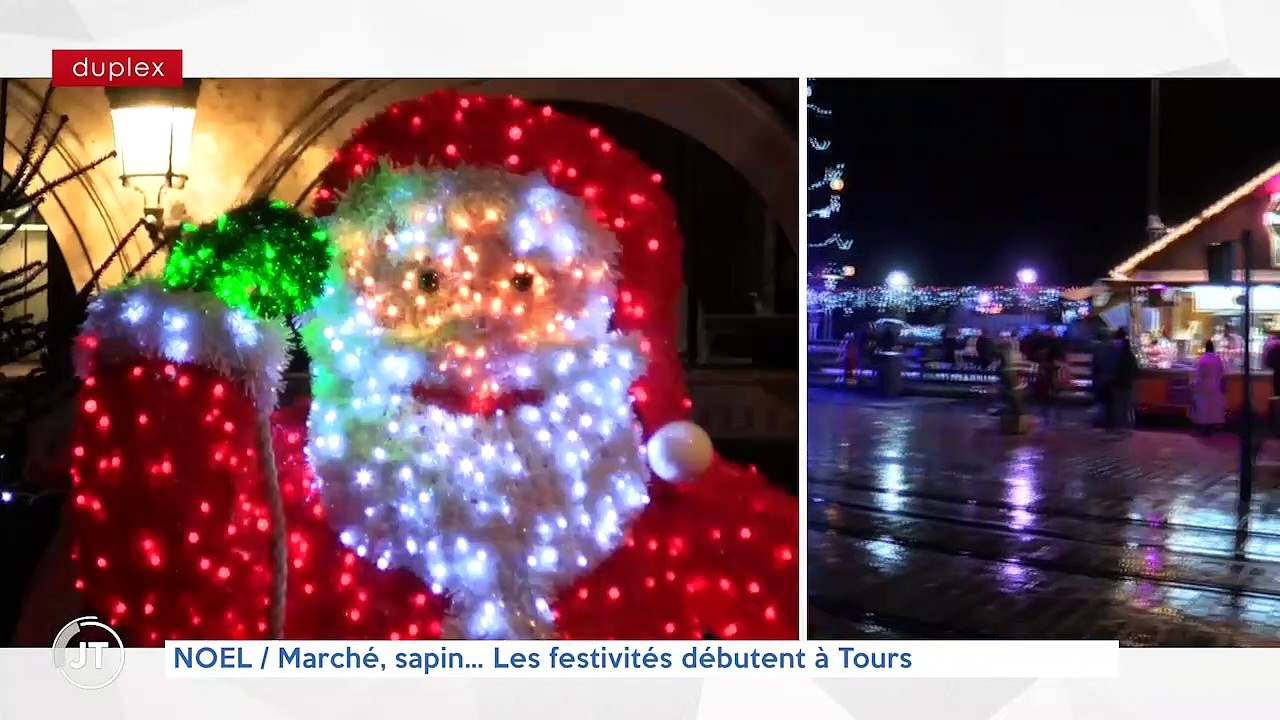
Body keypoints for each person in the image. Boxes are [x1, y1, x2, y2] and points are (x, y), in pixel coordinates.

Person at [1193, 339, 1228, 436]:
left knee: (1204, 408)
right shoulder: (1217, 359)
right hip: (1216, 385)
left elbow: (1198, 374)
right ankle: (1212, 426)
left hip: (1204, 386)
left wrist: (1195, 385)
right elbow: (1222, 372)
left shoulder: (1202, 359)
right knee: (1213, 408)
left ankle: (1204, 428)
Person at [1111, 327, 1139, 432]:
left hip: (1118, 385)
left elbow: (1113, 369)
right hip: (1128, 385)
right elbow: (1136, 371)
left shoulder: (1116, 356)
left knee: (1118, 406)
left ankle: (1119, 427)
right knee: (1128, 407)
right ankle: (1128, 427)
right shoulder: (1131, 356)